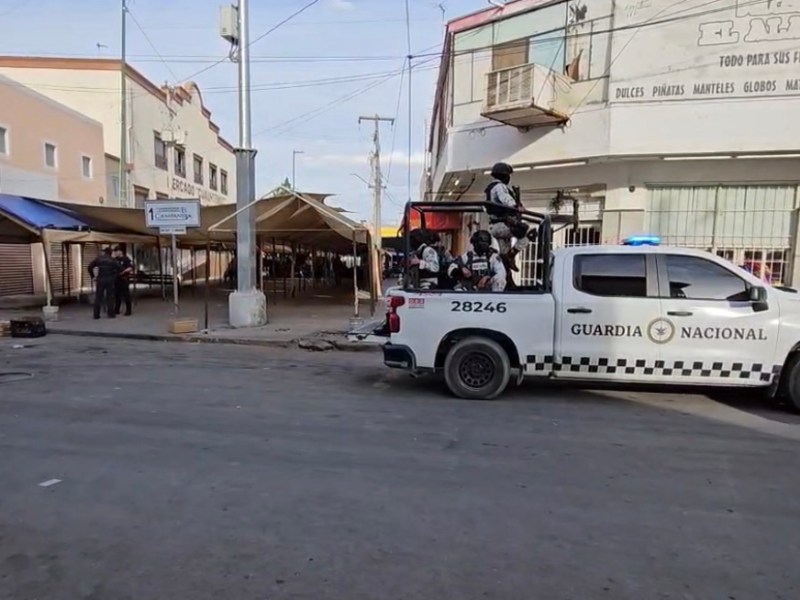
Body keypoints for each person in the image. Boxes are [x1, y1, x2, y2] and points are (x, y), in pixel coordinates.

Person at [485, 162, 529, 273]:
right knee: (528, 232)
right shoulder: (500, 187)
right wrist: (516, 207)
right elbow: (505, 198)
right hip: (502, 225)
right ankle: (511, 255)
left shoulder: (489, 188)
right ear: (505, 176)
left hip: (495, 226)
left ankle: (508, 281)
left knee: (503, 258)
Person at [88, 247, 119, 319]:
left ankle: (96, 315)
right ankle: (111, 314)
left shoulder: (98, 259)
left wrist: (93, 276)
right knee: (110, 297)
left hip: (100, 279)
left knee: (98, 297)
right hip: (110, 279)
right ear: (111, 253)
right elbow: (119, 269)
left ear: (104, 252)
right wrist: (114, 276)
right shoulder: (113, 260)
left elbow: (90, 267)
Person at [113, 246, 134, 316]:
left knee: (126, 295)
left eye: (117, 251)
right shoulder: (115, 260)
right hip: (116, 279)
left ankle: (128, 310)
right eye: (115, 252)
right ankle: (116, 309)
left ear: (120, 251)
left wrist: (124, 271)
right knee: (117, 295)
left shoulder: (126, 259)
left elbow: (130, 268)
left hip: (124, 279)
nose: (116, 253)